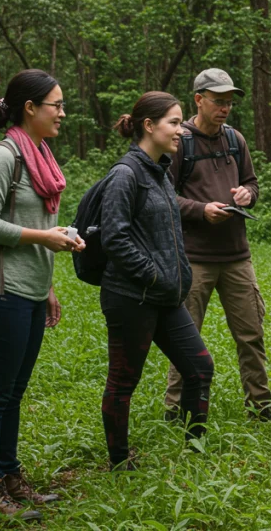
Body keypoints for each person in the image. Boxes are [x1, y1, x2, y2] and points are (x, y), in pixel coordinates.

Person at [0, 69, 85, 518]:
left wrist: (49, 283)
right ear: (30, 108)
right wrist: (44, 237)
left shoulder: (40, 152)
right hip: (1, 292)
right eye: (55, 105)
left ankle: (11, 477)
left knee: (14, 392)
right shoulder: (4, 156)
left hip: (32, 292)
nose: (62, 113)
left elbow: (38, 225)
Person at [99, 91, 214, 469]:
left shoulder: (160, 171)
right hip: (131, 296)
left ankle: (194, 448)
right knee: (123, 381)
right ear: (149, 126)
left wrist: (168, 279)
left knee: (200, 367)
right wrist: (151, 275)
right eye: (174, 122)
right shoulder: (125, 174)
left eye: (181, 122)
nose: (181, 130)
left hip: (164, 295)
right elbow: (113, 237)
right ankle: (119, 461)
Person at [162, 68, 271, 420]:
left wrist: (247, 195)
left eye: (229, 102)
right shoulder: (179, 141)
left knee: (251, 334)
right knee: (185, 336)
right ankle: (175, 407)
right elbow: (163, 198)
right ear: (199, 99)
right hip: (194, 258)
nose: (225, 108)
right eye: (218, 101)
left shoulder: (234, 140)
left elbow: (253, 185)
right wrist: (201, 210)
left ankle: (260, 403)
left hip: (237, 256)